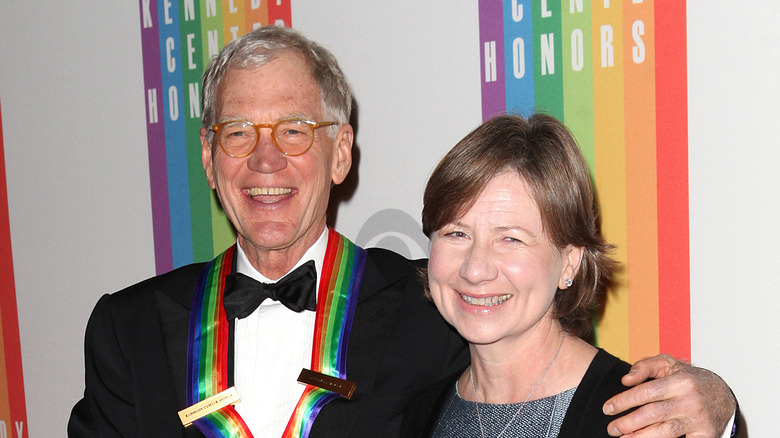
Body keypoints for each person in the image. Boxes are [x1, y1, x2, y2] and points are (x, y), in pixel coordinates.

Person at [68, 26, 736, 438]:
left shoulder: (441, 311)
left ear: (342, 152)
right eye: (237, 133)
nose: (265, 160)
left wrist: (719, 409)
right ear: (210, 161)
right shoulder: (126, 331)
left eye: (295, 131)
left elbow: (566, 383)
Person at [401, 114, 738, 438]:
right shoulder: (420, 414)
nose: (475, 269)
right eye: (456, 234)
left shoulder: (641, 419)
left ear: (569, 262)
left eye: (511, 239)